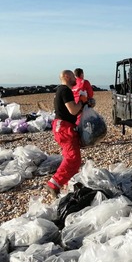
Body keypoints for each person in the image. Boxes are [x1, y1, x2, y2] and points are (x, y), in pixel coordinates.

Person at [46, 69, 94, 198]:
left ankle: (68, 185)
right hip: (64, 128)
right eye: (73, 77)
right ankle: (54, 183)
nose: (75, 79)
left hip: (62, 126)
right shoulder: (65, 90)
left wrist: (84, 104)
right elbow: (73, 110)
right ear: (67, 77)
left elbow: (72, 111)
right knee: (73, 158)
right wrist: (82, 101)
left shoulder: (60, 91)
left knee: (71, 157)